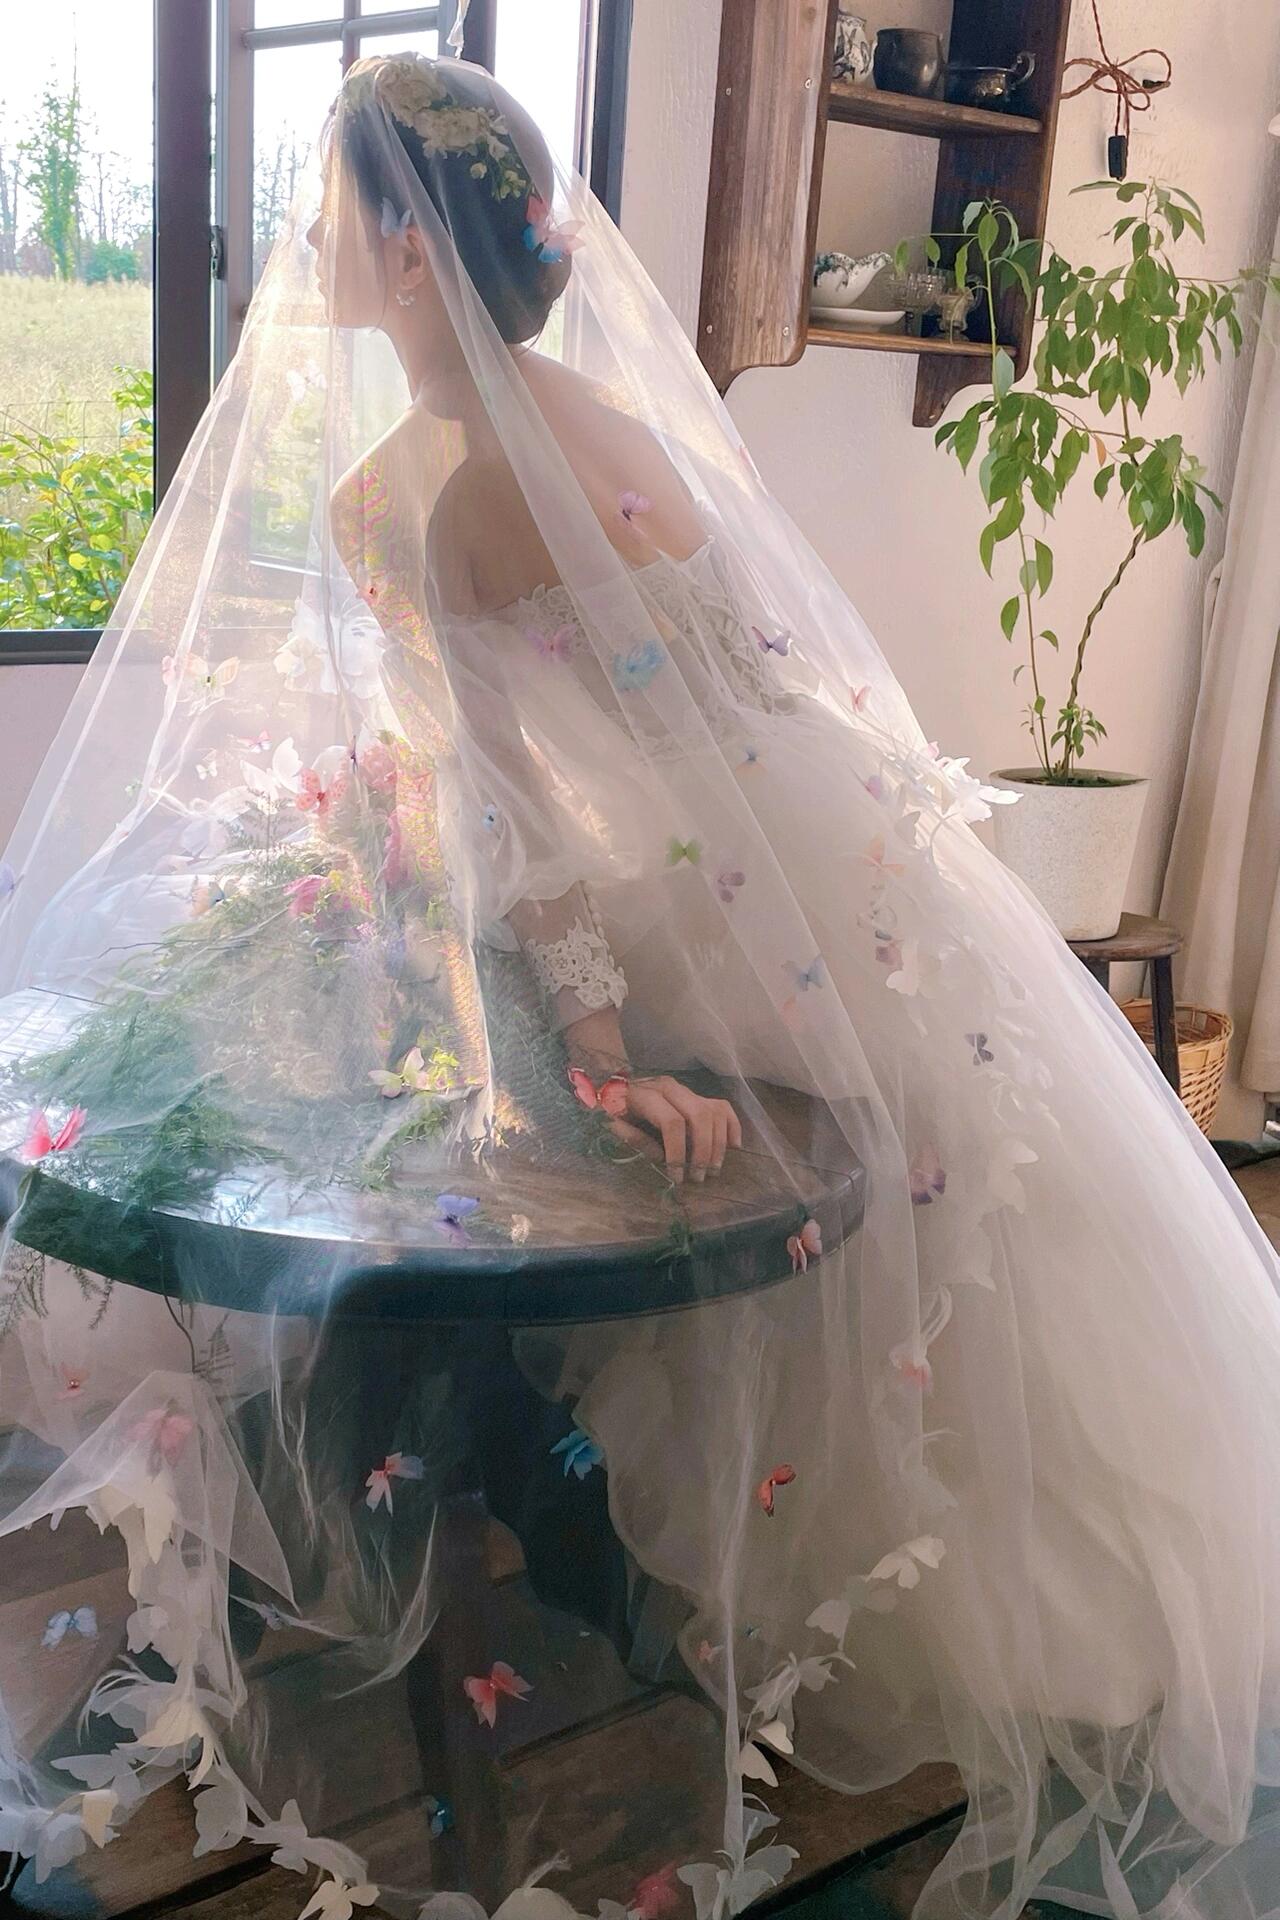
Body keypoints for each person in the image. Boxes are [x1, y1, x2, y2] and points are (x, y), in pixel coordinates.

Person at [2, 47, 1280, 1920]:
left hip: (691, 926)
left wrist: (599, 1054)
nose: (303, 239)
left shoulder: (427, 494)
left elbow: (512, 830)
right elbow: (710, 714)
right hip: (842, 881)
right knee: (975, 1250)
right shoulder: (597, 416)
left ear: (416, 253)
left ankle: (529, 1567)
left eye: (331, 207)